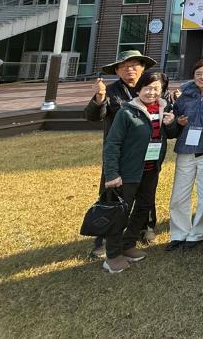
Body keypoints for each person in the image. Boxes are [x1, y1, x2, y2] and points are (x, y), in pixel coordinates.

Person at [84, 49, 159, 258]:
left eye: (134, 65)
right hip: (120, 155)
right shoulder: (111, 91)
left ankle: (145, 228)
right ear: (117, 71)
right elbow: (93, 116)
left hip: (148, 154)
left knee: (146, 194)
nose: (129, 70)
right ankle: (104, 240)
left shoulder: (154, 89)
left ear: (143, 68)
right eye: (124, 67)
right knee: (113, 196)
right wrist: (100, 97)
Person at [101, 70, 175, 273]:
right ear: (139, 89)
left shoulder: (164, 109)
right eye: (147, 88)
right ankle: (112, 255)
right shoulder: (126, 112)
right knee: (121, 212)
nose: (152, 92)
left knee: (143, 207)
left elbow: (170, 134)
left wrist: (172, 123)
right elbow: (112, 143)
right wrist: (112, 173)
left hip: (151, 170)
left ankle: (128, 244)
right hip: (128, 171)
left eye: (156, 88)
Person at [165, 59, 203, 251]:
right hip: (186, 151)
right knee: (179, 195)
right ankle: (179, 233)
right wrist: (177, 123)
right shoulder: (184, 96)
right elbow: (173, 123)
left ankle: (198, 233)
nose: (202, 77)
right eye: (198, 73)